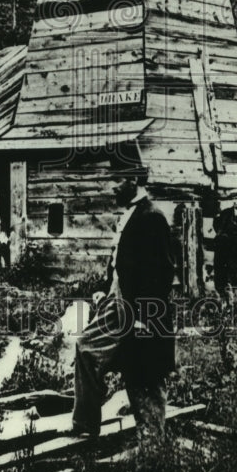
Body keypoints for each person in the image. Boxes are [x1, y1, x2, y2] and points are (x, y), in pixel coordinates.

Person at [72, 172, 176, 444]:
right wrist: (105, 287)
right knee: (85, 347)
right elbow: (121, 260)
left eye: (116, 181)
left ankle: (152, 445)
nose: (111, 187)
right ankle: (85, 425)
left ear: (133, 180)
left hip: (141, 309)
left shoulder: (152, 216)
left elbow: (161, 273)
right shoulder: (130, 214)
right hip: (118, 300)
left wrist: (144, 316)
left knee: (145, 371)